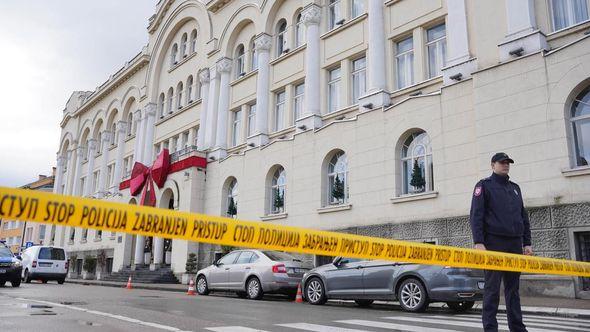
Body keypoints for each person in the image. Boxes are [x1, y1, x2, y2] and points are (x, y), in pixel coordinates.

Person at [469, 152, 532, 332]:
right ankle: (490, 329)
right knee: (492, 290)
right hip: (493, 244)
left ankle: (517, 328)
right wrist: (479, 242)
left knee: (513, 290)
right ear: (493, 165)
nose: (505, 165)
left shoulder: (515, 188)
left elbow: (523, 217)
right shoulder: (484, 186)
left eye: (508, 163)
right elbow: (476, 215)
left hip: (514, 244)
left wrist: (527, 243)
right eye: (502, 162)